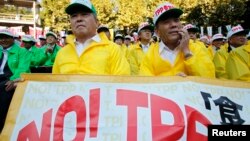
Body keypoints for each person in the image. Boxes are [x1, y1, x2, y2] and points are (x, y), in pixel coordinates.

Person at [52, 0, 130, 75]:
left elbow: (123, 82)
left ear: (96, 22)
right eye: (74, 16)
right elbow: (53, 86)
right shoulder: (61, 53)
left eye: (84, 14)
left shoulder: (113, 50)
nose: (79, 19)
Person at [139, 2, 215, 78]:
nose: (173, 25)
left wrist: (187, 53)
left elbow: (209, 79)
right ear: (157, 31)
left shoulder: (196, 48)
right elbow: (145, 85)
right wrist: (171, 83)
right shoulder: (150, 56)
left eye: (176, 20)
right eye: (166, 22)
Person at [0, 29, 30, 133]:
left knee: (4, 88)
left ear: (13, 39)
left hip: (10, 78)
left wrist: (13, 80)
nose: (3, 40)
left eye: (6, 37)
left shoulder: (22, 51)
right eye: (1, 38)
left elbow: (23, 69)